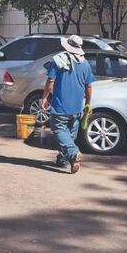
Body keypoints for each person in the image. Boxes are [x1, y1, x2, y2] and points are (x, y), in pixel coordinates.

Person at [41, 35, 94, 173]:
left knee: (59, 130)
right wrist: (88, 103)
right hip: (77, 107)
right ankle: (63, 160)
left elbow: (50, 81)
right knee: (70, 135)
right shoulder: (85, 64)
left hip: (60, 105)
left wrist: (45, 97)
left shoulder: (58, 60)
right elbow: (89, 86)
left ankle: (72, 153)